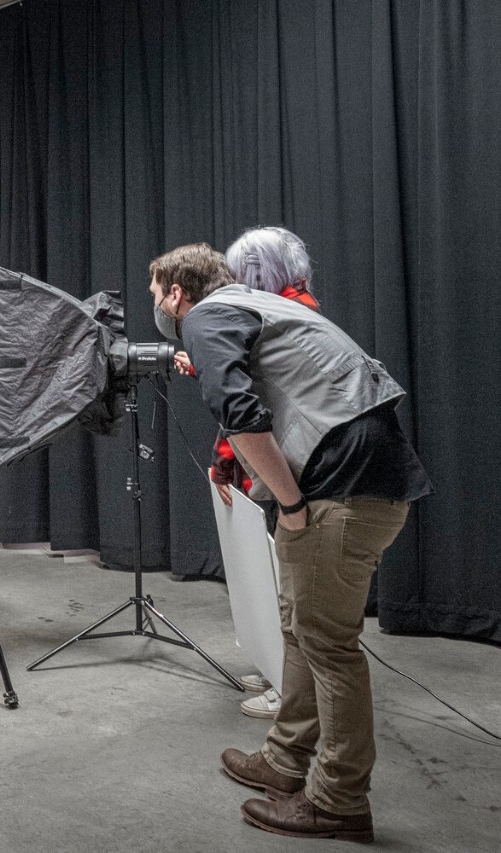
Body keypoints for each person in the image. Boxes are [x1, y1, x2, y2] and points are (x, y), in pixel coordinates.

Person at [149, 242, 431, 843]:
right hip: (370, 480)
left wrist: (293, 504)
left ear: (178, 293)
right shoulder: (262, 306)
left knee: (329, 646)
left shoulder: (204, 315)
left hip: (339, 493)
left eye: (158, 296)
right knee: (300, 627)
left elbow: (239, 410)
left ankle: (338, 801)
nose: (161, 308)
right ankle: (284, 761)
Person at [168, 227, 323, 720]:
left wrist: (226, 463)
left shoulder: (287, 311)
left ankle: (290, 689)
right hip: (283, 463)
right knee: (276, 583)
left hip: (294, 467)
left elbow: (250, 406)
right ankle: (279, 670)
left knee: (290, 590)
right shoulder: (287, 307)